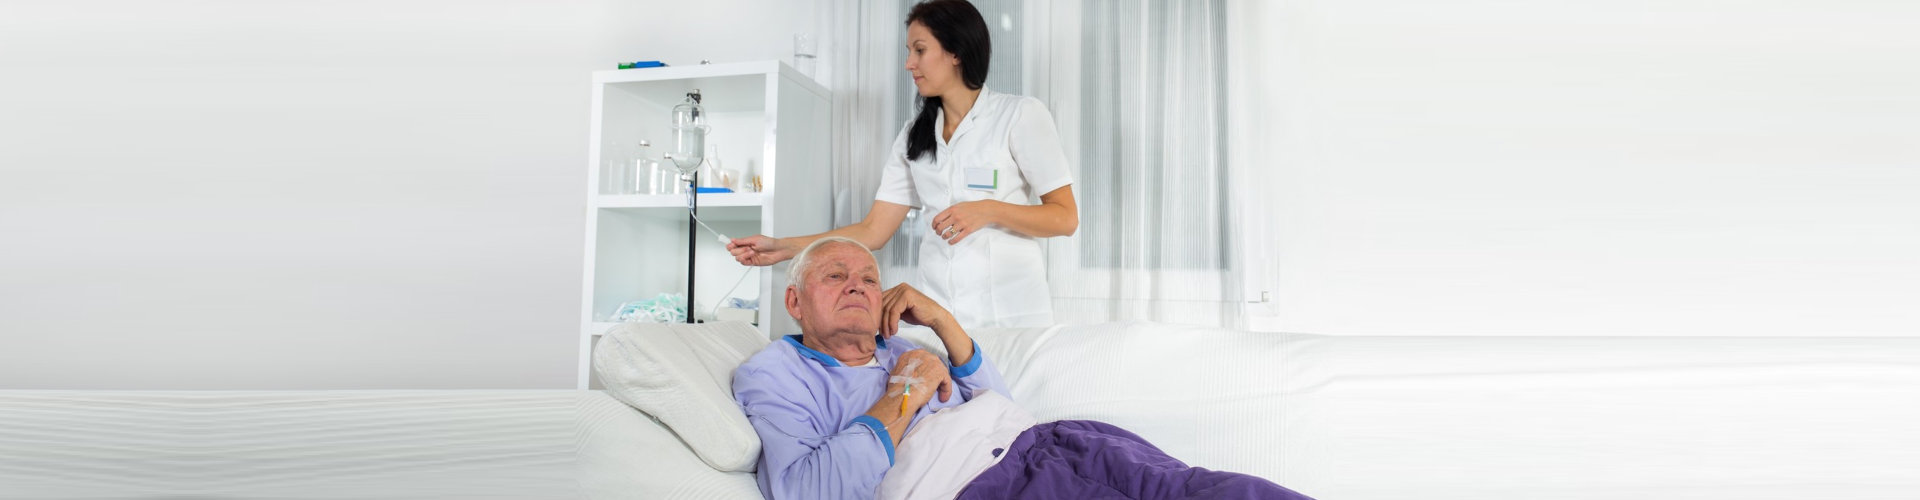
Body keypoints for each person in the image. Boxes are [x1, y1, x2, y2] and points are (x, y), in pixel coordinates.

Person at [733, 237, 1313, 499]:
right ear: (794, 302)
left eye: (868, 278)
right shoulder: (775, 373)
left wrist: (941, 323)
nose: (858, 287)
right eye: (836, 276)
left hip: (1053, 441)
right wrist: (905, 393)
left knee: (1198, 488)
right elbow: (804, 490)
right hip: (993, 486)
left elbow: (1000, 404)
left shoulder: (900, 344)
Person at [727, 0, 1077, 332]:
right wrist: (782, 247)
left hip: (1012, 318)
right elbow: (873, 231)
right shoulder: (913, 135)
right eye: (909, 52)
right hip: (939, 319)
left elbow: (1064, 217)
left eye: (920, 50)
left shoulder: (1018, 115)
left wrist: (987, 210)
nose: (909, 63)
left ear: (955, 52)